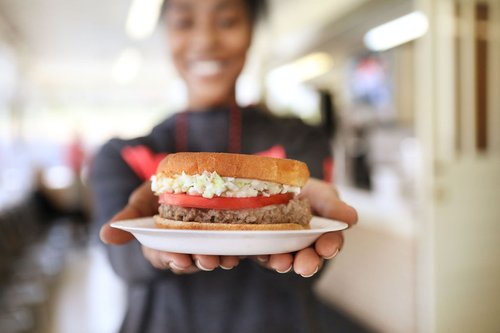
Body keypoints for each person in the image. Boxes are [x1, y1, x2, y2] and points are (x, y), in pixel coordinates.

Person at [89, 0, 358, 332]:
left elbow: (308, 271)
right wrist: (147, 250)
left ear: (250, 33)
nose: (205, 40)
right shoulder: (124, 153)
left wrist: (295, 227)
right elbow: (118, 258)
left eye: (227, 21)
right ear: (167, 34)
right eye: (185, 22)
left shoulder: (301, 142)